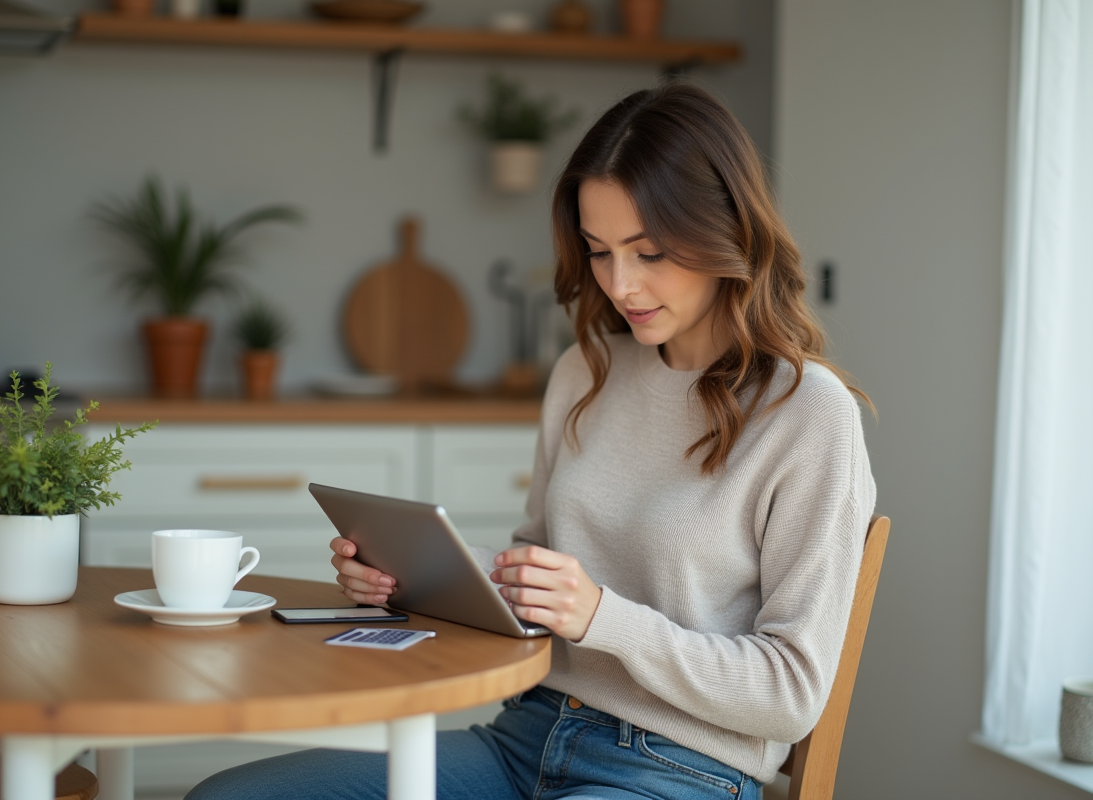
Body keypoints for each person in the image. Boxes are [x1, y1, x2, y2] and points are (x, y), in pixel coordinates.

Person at [186, 82, 876, 800]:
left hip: (676, 769)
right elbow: (536, 587)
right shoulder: (586, 373)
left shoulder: (805, 412)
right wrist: (410, 579)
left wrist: (606, 619)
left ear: (725, 231)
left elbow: (793, 694)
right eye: (599, 251)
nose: (620, 284)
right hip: (525, 736)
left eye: (648, 253)